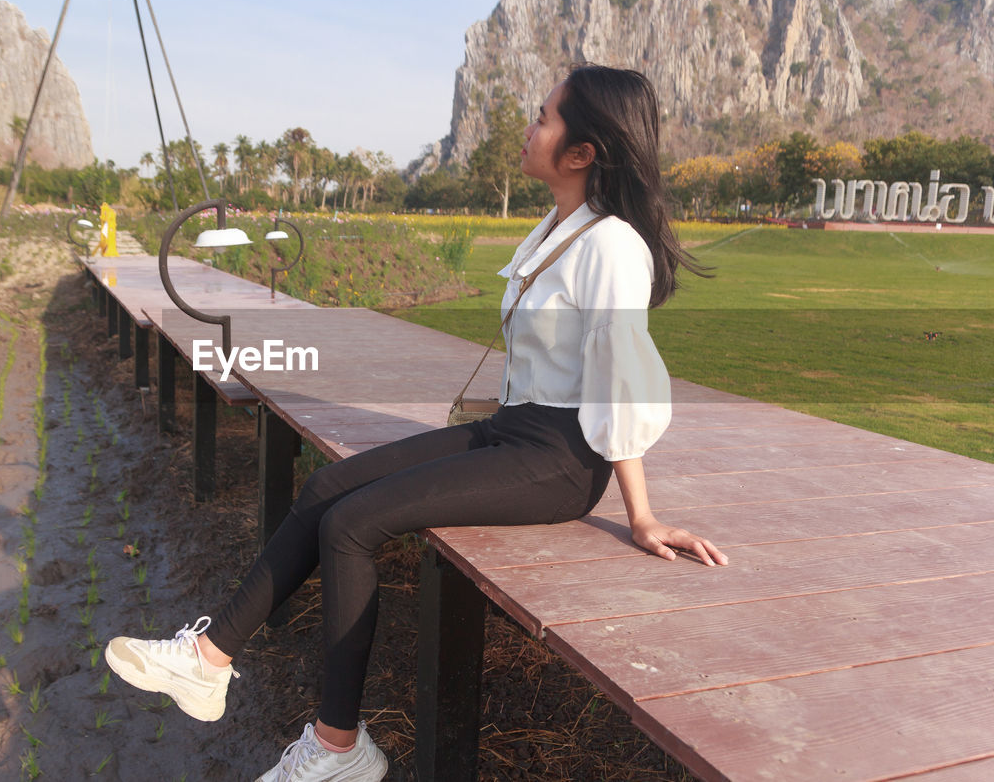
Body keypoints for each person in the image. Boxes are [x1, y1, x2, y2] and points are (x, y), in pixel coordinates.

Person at [105, 63, 729, 782]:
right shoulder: (557, 229)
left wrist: (641, 514)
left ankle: (341, 749)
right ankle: (208, 659)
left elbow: (620, 377)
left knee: (352, 523)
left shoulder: (610, 245)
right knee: (327, 488)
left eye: (545, 117)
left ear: (583, 152)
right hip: (516, 429)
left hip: (564, 457)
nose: (531, 128)